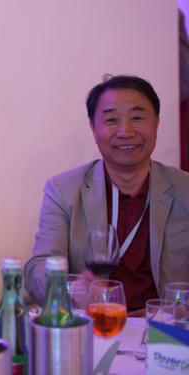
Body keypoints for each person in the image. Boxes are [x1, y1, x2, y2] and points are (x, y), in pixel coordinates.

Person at [25, 75, 189, 312]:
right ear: (93, 129)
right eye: (111, 119)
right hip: (96, 325)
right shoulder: (64, 190)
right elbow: (38, 268)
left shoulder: (184, 188)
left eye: (137, 117)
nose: (125, 131)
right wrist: (72, 289)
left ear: (156, 123)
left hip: (167, 329)